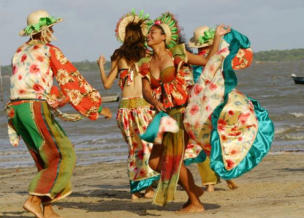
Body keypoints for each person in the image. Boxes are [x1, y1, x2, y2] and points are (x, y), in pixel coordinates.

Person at [6, 10, 112, 218]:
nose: (53, 31)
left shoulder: (19, 52)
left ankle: (47, 209)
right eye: (51, 28)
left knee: (44, 159)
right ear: (44, 30)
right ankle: (34, 200)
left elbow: (34, 86)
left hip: (15, 110)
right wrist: (97, 108)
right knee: (65, 155)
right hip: (33, 107)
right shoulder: (49, 50)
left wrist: (55, 102)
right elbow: (72, 80)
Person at [139, 12, 231, 213]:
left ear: (164, 36)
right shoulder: (144, 63)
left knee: (173, 160)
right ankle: (193, 190)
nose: (148, 35)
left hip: (181, 113)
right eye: (148, 33)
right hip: (163, 116)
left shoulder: (178, 53)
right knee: (155, 162)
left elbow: (207, 61)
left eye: (153, 32)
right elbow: (145, 91)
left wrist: (217, 37)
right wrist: (154, 101)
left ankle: (195, 202)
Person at [97, 10, 159, 200]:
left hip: (124, 109)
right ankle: (148, 189)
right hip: (143, 106)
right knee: (149, 147)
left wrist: (101, 66)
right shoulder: (147, 54)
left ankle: (135, 191)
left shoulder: (118, 55)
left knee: (134, 148)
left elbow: (107, 85)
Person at [186, 25, 238, 192]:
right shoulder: (216, 56)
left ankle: (209, 183)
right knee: (220, 137)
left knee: (201, 140)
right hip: (215, 100)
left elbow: (189, 82)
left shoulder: (194, 60)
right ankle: (228, 175)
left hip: (197, 103)